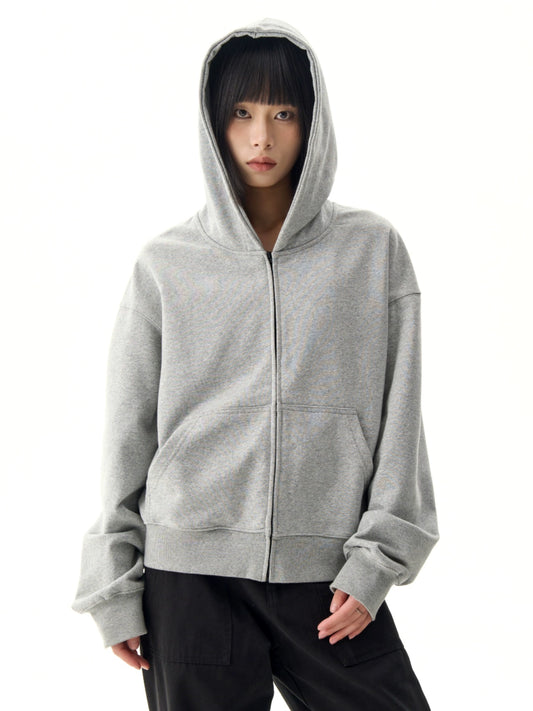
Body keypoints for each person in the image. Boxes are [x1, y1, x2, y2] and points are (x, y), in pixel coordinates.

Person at [71, 17, 440, 711]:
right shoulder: (165, 265)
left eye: (283, 114)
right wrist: (114, 582)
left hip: (329, 574)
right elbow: (127, 432)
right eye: (241, 113)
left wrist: (376, 561)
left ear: (313, 123)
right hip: (189, 582)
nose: (261, 137)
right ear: (214, 123)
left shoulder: (372, 251)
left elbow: (402, 419)